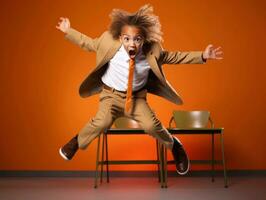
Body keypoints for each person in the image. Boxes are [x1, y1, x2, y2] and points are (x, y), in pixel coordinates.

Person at [55, 4, 223, 175]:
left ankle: (174, 145)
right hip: (110, 96)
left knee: (152, 125)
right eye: (127, 39)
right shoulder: (108, 42)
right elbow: (89, 43)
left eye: (137, 39)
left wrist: (203, 55)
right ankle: (76, 141)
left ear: (144, 39)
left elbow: (175, 56)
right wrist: (69, 31)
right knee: (103, 121)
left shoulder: (153, 50)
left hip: (137, 98)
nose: (132, 44)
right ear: (120, 38)